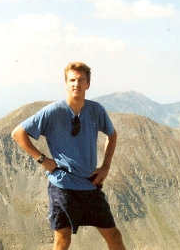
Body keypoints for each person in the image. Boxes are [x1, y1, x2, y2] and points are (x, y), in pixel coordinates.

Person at [11, 62, 126, 250]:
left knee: (113, 235)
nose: (76, 84)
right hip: (62, 186)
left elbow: (112, 135)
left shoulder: (96, 110)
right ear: (66, 83)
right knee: (62, 241)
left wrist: (105, 167)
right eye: (72, 80)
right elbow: (18, 133)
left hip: (90, 184)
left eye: (81, 80)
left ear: (88, 84)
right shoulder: (53, 111)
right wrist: (42, 159)